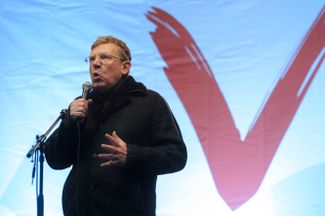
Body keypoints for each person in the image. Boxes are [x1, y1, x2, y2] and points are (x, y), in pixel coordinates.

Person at [45, 35, 187, 216]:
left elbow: (176, 156)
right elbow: (56, 160)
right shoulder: (80, 105)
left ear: (125, 67)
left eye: (104, 57)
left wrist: (131, 154)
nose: (95, 64)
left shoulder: (150, 102)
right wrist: (69, 124)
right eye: (91, 59)